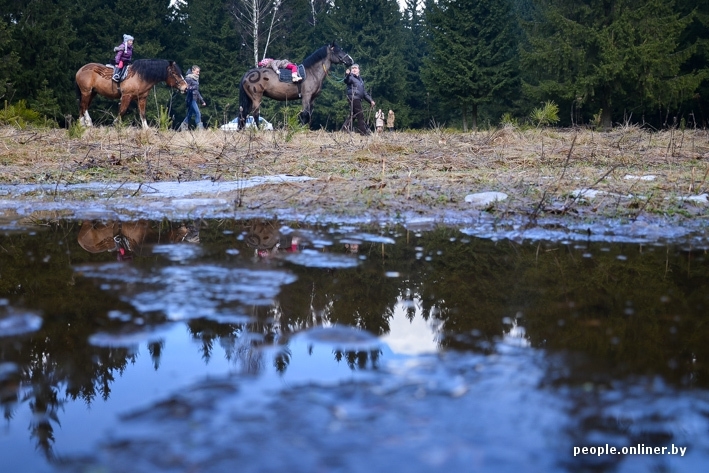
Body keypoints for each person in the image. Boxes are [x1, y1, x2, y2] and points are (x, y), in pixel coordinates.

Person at [344, 64, 375, 135]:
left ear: (359, 70)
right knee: (360, 114)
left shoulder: (360, 80)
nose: (354, 69)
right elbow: (346, 80)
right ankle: (363, 132)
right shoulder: (350, 77)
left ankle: (344, 129)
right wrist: (347, 75)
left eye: (355, 68)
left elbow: (364, 93)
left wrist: (371, 100)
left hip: (357, 98)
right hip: (353, 98)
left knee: (353, 115)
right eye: (352, 68)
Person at [179, 66, 206, 131]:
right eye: (197, 71)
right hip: (190, 99)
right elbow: (186, 89)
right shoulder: (188, 78)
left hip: (194, 99)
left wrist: (202, 101)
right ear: (193, 71)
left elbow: (197, 92)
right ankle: (200, 130)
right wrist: (193, 87)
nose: (198, 73)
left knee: (189, 114)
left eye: (199, 72)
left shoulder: (195, 79)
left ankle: (183, 128)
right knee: (197, 113)